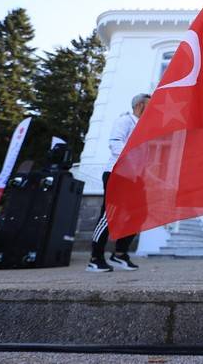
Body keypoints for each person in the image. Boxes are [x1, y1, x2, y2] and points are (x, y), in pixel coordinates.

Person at [87, 93, 151, 273]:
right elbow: (115, 144)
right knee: (109, 215)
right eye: (149, 105)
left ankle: (120, 254)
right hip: (117, 174)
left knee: (139, 214)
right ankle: (95, 258)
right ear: (139, 105)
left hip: (134, 177)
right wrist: (132, 159)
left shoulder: (143, 127)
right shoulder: (124, 121)